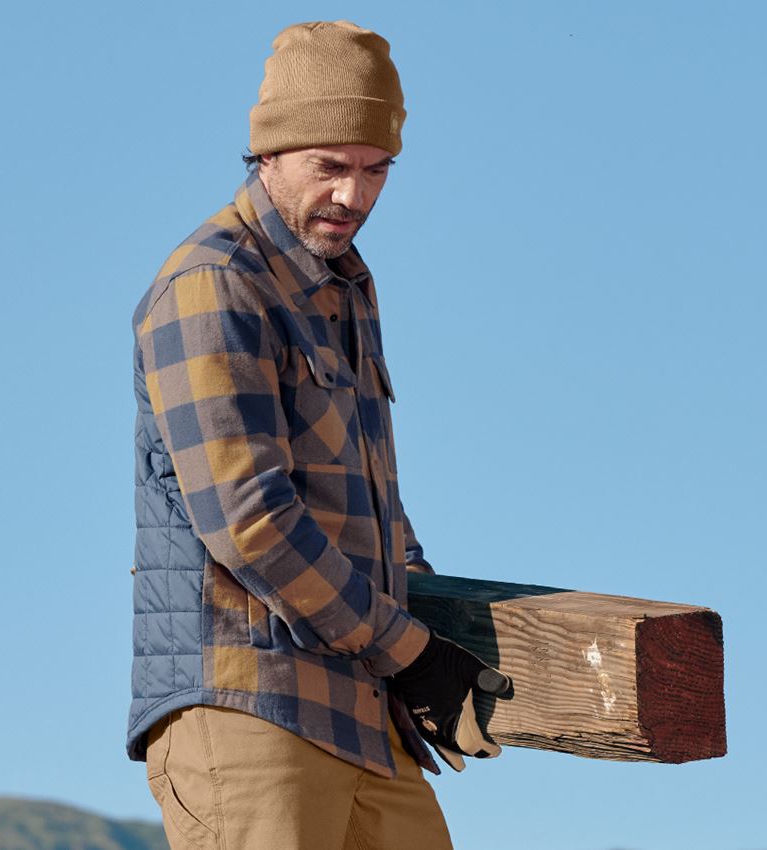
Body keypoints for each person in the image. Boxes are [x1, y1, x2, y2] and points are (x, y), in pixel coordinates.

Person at [128, 20, 509, 850]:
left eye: (376, 171)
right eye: (330, 166)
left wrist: (428, 628)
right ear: (268, 155)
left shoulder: (342, 289)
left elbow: (372, 499)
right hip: (249, 708)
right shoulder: (214, 284)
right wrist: (411, 652)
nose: (354, 196)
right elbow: (249, 520)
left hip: (366, 714)